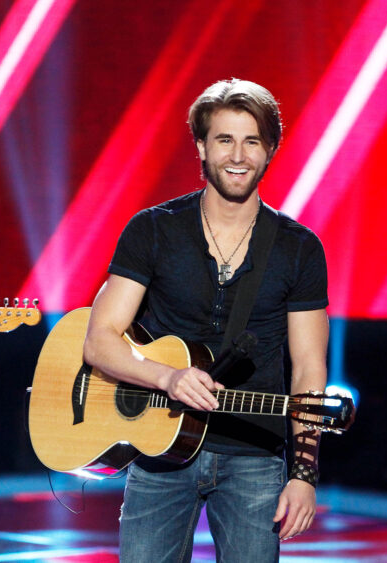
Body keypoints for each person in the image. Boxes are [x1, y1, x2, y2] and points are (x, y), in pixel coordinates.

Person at [82, 79, 328, 562]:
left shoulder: (299, 248)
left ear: (270, 150)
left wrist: (304, 473)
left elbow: (308, 368)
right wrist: (167, 377)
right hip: (159, 449)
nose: (238, 156)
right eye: (224, 140)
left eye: (252, 141)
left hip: (254, 458)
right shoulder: (153, 229)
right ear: (200, 146)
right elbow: (100, 341)